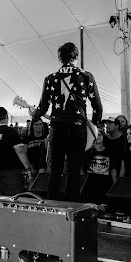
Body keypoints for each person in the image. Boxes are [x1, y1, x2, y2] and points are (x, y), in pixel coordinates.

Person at [29, 42, 102, 202]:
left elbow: (42, 108)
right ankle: (71, 208)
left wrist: (34, 116)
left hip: (57, 126)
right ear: (75, 57)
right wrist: (94, 127)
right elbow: (97, 106)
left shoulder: (50, 78)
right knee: (73, 170)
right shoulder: (86, 76)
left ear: (60, 59)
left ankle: (52, 205)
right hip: (77, 126)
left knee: (54, 169)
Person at [0, 107, 36, 195]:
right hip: (11, 172)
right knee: (13, 199)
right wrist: (28, 169)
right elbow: (20, 152)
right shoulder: (10, 131)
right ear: (7, 116)